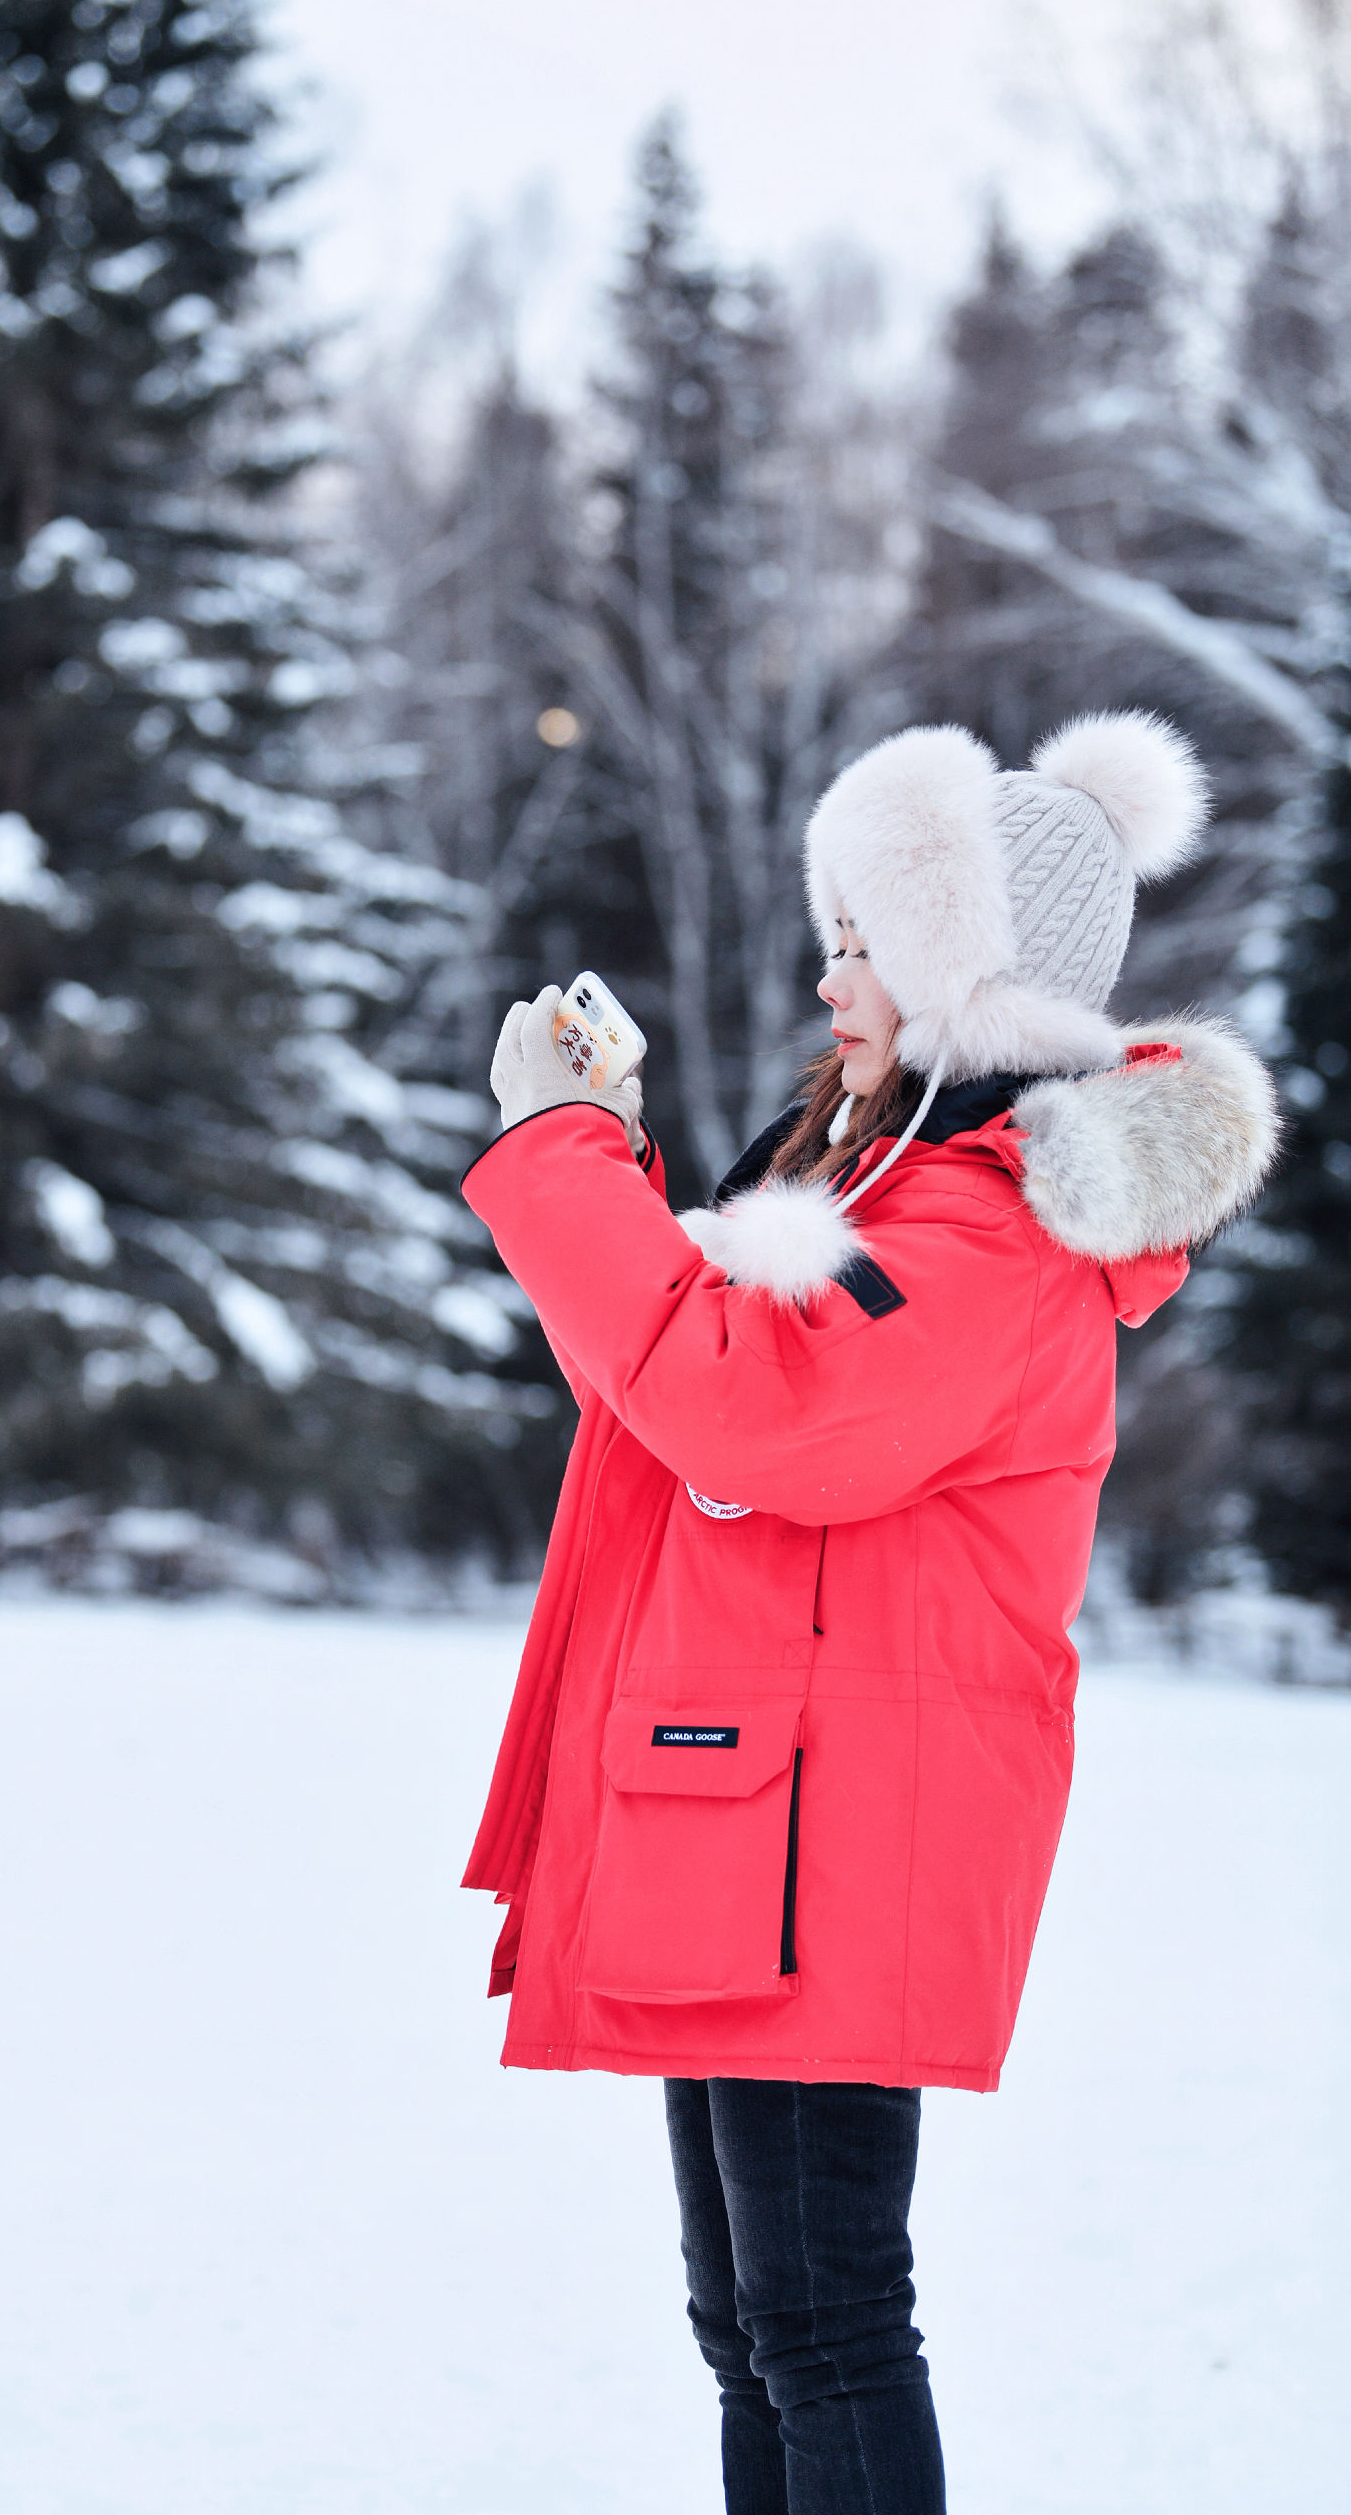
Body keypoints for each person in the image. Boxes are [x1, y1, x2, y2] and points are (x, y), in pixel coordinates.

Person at [458, 713, 1278, 2515]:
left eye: (863, 943)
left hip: (837, 1827)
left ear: (957, 977)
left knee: (822, 2322)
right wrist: (612, 1151)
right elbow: (703, 1370)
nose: (831, 975)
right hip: (760, 1808)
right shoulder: (893, 1183)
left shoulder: (990, 1225)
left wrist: (575, 1155)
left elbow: (753, 1412)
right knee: (757, 2324)